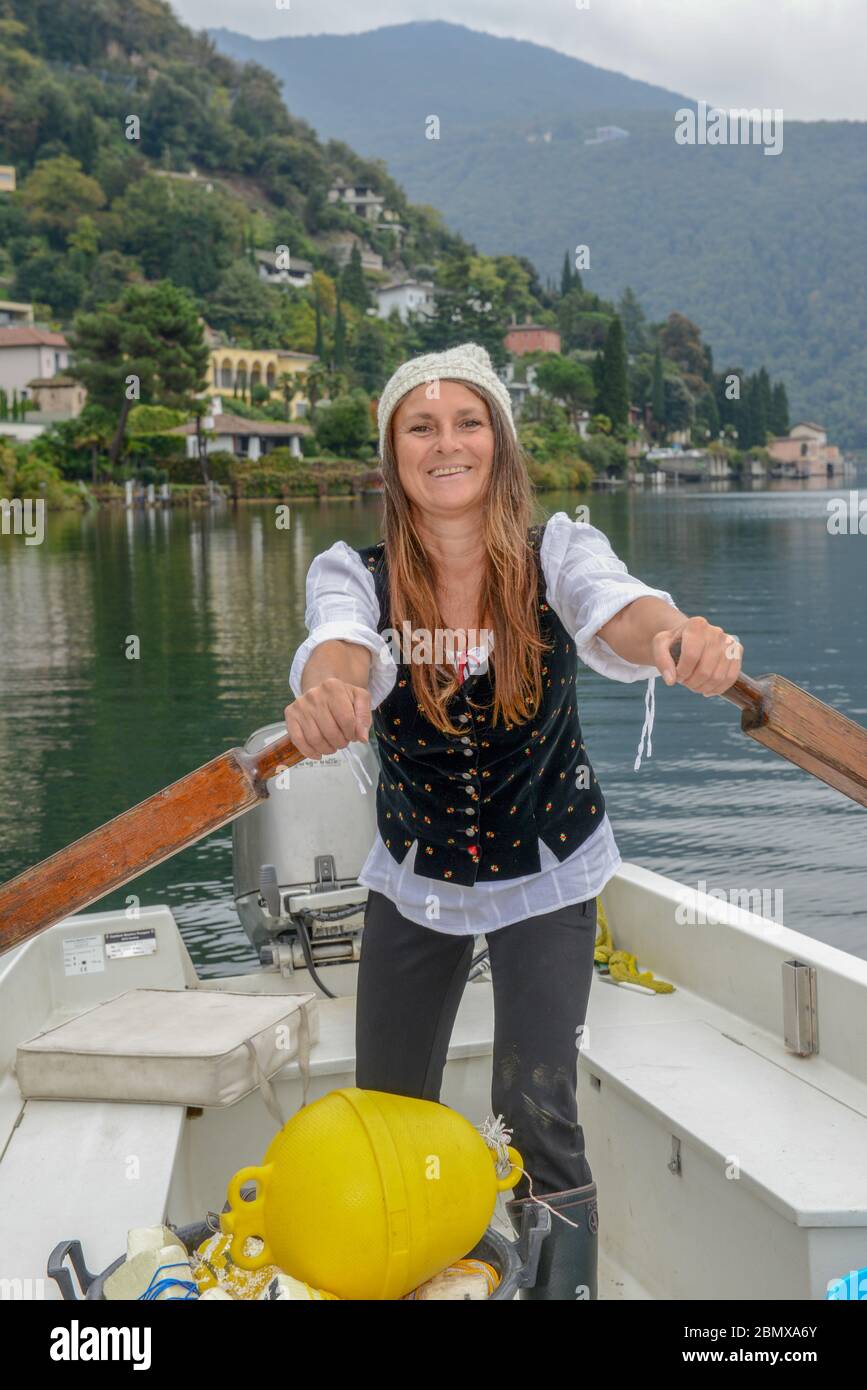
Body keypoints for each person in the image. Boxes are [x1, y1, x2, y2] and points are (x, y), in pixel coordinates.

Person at [285, 342, 742, 1300]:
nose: (445, 442)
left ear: (499, 441)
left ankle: (559, 1292)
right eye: (421, 425)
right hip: (414, 875)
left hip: (550, 868)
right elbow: (337, 649)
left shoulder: (559, 554)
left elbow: (621, 610)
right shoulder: (355, 575)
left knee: (533, 1111)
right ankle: (411, 1269)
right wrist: (328, 694)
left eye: (467, 421)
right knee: (387, 1109)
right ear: (392, 453)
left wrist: (672, 638)